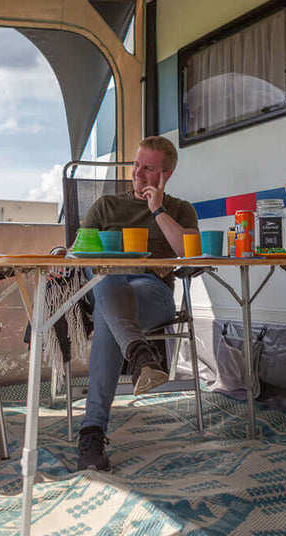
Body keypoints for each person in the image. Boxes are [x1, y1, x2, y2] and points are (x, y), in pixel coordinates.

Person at [76, 136, 199, 472]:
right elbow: (79, 252)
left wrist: (157, 210)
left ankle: (91, 432)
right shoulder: (105, 206)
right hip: (106, 286)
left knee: (109, 314)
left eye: (148, 168)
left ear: (166, 174)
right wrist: (63, 254)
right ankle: (140, 354)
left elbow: (189, 254)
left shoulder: (180, 209)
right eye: (136, 165)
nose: (138, 173)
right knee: (107, 281)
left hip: (152, 292)